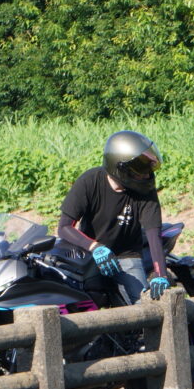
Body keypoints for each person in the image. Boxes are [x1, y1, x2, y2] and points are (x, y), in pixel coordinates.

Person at [57, 130, 171, 305]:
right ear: (120, 168)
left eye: (148, 168)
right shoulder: (90, 181)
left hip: (127, 255)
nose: (147, 175)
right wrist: (95, 247)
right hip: (90, 253)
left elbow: (153, 234)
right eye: (140, 169)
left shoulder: (145, 191)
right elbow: (64, 227)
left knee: (143, 306)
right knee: (83, 303)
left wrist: (160, 275)